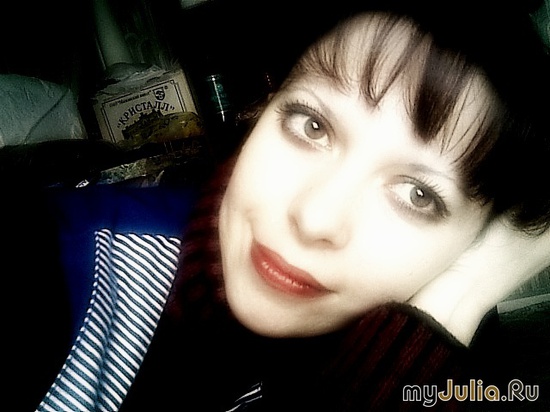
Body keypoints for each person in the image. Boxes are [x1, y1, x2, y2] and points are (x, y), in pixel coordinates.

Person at [17, 0, 550, 411]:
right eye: (312, 125)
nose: (315, 219)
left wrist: (460, 298)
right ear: (263, 107)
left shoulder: (451, 364)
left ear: (477, 240)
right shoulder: (57, 263)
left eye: (418, 195)